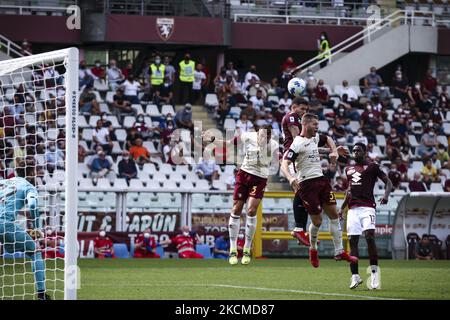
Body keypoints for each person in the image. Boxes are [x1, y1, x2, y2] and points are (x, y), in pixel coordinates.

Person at [280, 113, 357, 268]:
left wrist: (334, 151)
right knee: (318, 221)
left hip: (322, 181)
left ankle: (339, 251)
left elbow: (328, 138)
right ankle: (313, 249)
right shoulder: (297, 144)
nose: (317, 128)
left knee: (334, 215)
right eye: (315, 125)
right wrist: (290, 178)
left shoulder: (315, 138)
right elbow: (284, 164)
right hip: (307, 185)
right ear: (306, 125)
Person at [205, 125, 279, 265]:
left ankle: (246, 248)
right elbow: (227, 144)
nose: (265, 139)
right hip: (244, 175)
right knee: (236, 209)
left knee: (251, 210)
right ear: (258, 133)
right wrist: (213, 139)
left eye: (268, 137)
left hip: (260, 178)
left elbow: (280, 159)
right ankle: (233, 249)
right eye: (263, 136)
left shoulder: (274, 145)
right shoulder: (247, 136)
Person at [281, 98, 348, 247]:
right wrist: (331, 150)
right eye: (302, 109)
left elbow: (311, 145)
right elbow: (299, 141)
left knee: (301, 188)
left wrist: (333, 150)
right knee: (299, 185)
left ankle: (301, 230)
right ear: (294, 107)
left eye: (306, 109)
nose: (304, 112)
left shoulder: (301, 126)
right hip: (293, 157)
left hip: (299, 156)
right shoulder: (292, 118)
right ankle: (299, 229)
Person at [339, 143, 393, 290]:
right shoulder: (348, 169)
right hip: (353, 210)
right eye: (354, 150)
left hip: (368, 207)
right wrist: (342, 208)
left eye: (358, 150)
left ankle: (374, 274)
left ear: (365, 152)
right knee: (353, 241)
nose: (355, 153)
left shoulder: (372, 166)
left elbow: (388, 182)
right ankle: (355, 276)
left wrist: (386, 195)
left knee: (369, 237)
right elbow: (349, 191)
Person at [0, 174, 50, 300]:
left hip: (5, 226)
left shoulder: (4, 182)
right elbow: (32, 205)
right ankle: (42, 295)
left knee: (9, 248)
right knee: (35, 252)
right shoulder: (29, 186)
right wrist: (37, 228)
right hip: (5, 224)